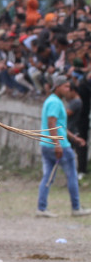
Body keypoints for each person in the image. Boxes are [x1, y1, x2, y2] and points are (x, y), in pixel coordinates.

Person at [36, 75, 91, 218]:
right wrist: (58, 145)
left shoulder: (52, 100)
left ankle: (41, 208)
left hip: (47, 144)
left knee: (48, 176)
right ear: (58, 86)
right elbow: (51, 123)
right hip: (60, 145)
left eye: (69, 87)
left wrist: (74, 138)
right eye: (66, 86)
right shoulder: (55, 102)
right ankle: (76, 207)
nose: (68, 89)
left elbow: (60, 125)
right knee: (72, 175)